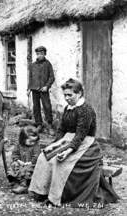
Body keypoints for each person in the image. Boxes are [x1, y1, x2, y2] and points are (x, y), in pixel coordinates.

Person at [28, 78, 119, 207]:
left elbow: (80, 136)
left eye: (70, 95)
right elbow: (61, 130)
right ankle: (42, 192)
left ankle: (56, 197)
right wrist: (53, 146)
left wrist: (66, 152)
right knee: (44, 157)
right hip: (67, 140)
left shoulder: (86, 110)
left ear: (79, 93)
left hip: (85, 145)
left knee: (61, 163)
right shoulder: (68, 108)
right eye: (65, 95)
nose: (67, 98)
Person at [27, 46, 55, 135]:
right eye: (38, 54)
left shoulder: (48, 64)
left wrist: (47, 86)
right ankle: (39, 125)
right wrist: (28, 88)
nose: (40, 56)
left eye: (41, 54)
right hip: (34, 89)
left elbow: (52, 77)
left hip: (44, 90)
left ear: (45, 54)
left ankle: (49, 125)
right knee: (36, 108)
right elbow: (30, 78)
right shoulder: (32, 65)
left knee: (47, 107)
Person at [8, 125, 41, 194]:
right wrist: (18, 160)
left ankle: (24, 185)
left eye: (34, 141)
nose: (33, 143)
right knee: (14, 165)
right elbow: (15, 153)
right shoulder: (19, 145)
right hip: (21, 162)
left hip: (30, 164)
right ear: (23, 139)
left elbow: (36, 156)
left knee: (27, 170)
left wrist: (31, 162)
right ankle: (15, 181)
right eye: (30, 141)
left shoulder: (35, 146)